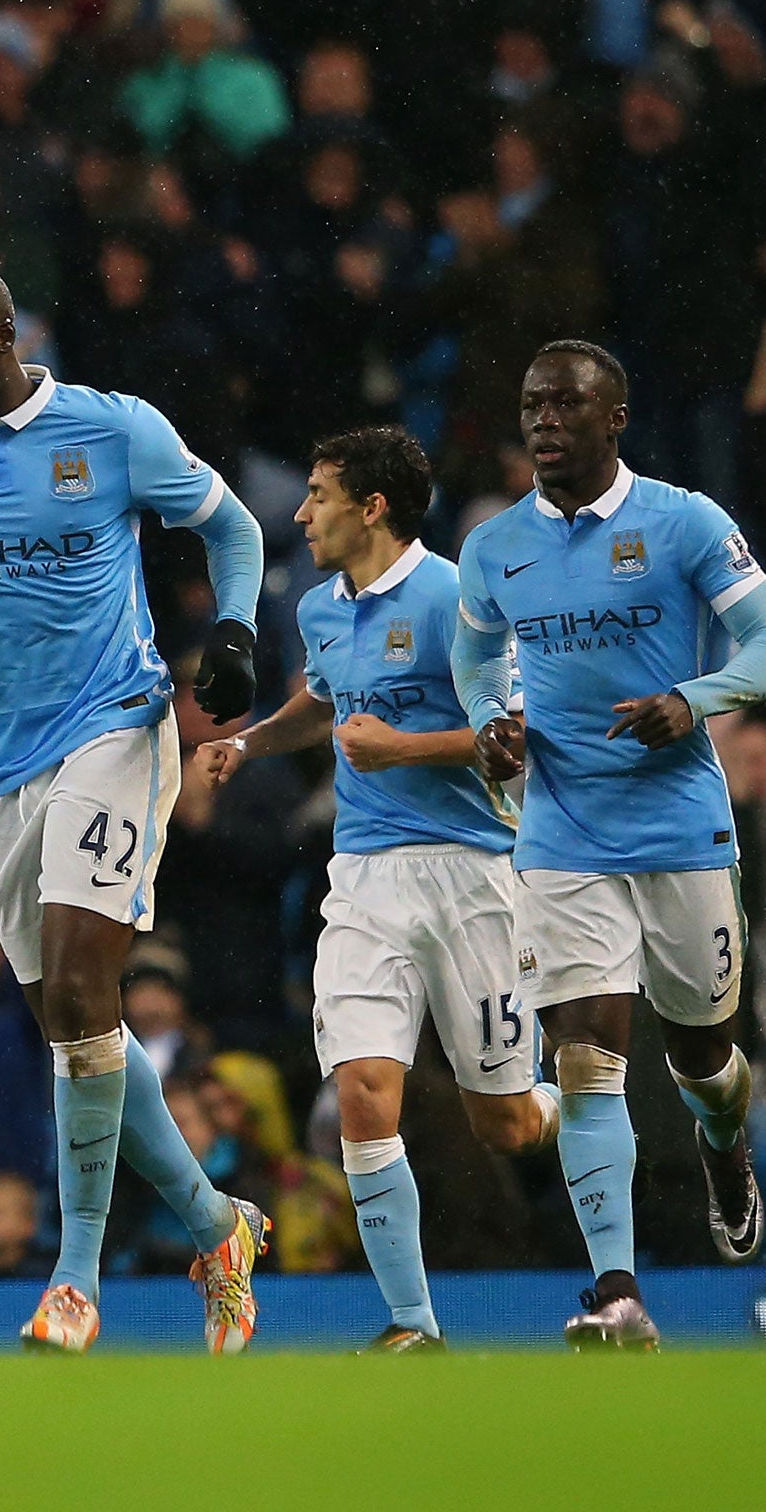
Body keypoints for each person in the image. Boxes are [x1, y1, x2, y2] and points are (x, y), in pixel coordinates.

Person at [0, 261, 270, 1354]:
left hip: (112, 724)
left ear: (5, 336)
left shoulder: (111, 429)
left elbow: (235, 529)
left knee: (79, 982)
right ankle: (215, 1224)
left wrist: (236, 632)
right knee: (74, 1024)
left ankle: (73, 1283)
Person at [452, 340, 766, 1348]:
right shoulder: (491, 546)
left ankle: (721, 1141)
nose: (542, 420)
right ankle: (616, 1291)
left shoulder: (684, 522)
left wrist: (690, 704)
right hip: (561, 832)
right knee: (584, 1055)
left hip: (679, 829)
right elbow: (475, 660)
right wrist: (492, 722)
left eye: (566, 403)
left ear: (615, 418)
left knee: (698, 1050)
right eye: (530, 402)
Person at [195, 426, 566, 1352]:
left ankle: (588, 1100)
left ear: (373, 507)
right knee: (364, 1088)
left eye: (318, 494)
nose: (300, 510)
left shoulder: (456, 598)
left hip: (473, 873)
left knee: (509, 1125)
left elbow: (521, 732)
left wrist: (400, 746)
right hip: (362, 876)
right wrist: (247, 742)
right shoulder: (320, 608)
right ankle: (411, 1323)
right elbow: (322, 706)